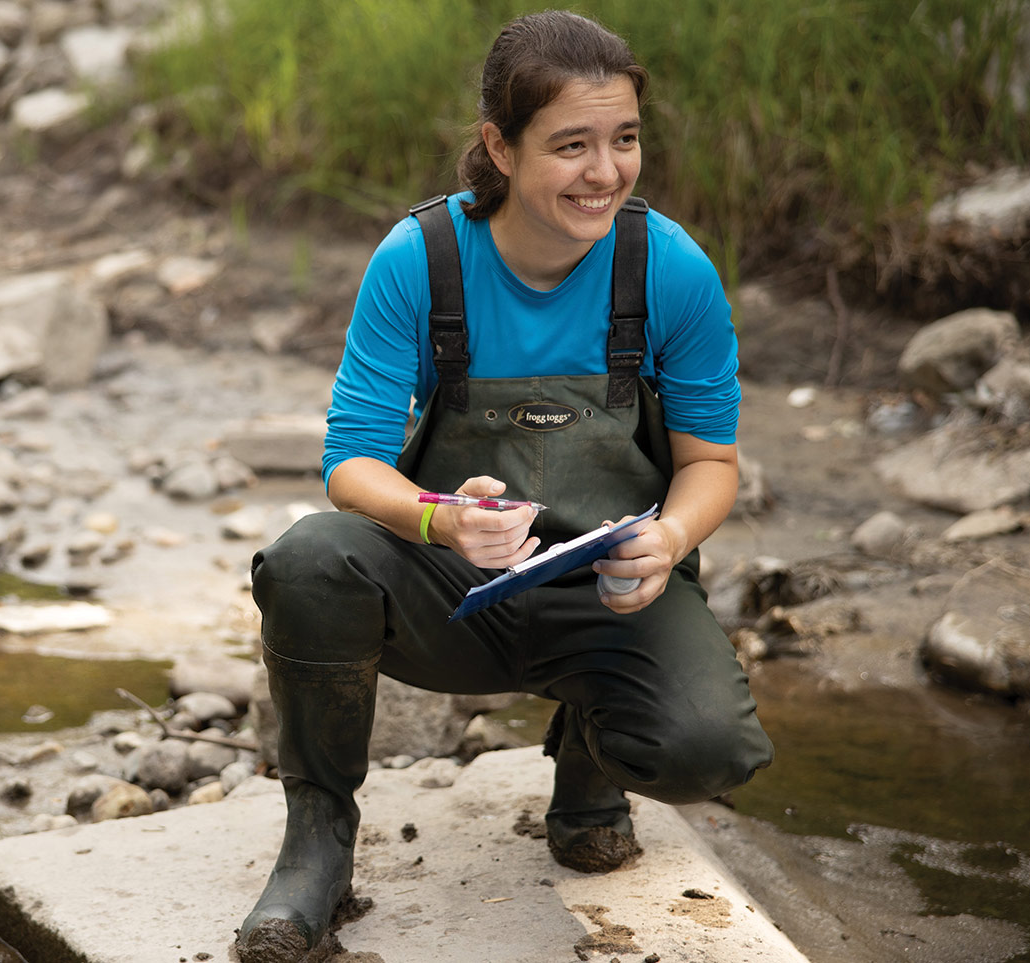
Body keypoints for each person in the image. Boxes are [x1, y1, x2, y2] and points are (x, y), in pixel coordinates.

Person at [234, 10, 776, 960]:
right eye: (571, 145)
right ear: (500, 143)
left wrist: (672, 541)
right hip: (452, 594)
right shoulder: (421, 259)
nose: (604, 172)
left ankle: (588, 760)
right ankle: (316, 840)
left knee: (710, 749)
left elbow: (708, 464)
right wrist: (437, 518)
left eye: (624, 139)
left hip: (609, 597)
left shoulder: (669, 269)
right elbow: (348, 463)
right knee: (306, 561)